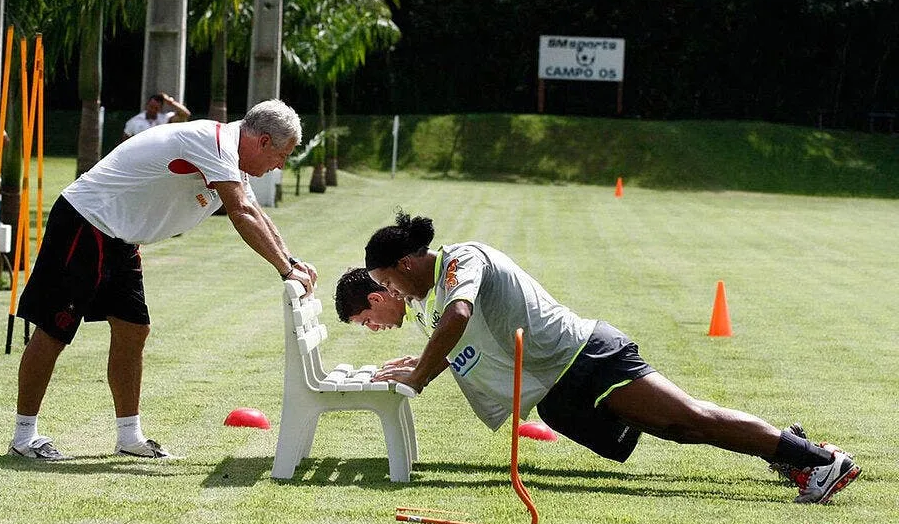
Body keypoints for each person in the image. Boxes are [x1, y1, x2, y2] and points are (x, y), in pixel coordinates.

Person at [341, 212, 861, 504]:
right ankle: (789, 450)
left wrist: (421, 375)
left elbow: (458, 316)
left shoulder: (461, 261)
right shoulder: (433, 296)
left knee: (688, 420)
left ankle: (820, 462)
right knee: (680, 426)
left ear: (406, 262)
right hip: (568, 378)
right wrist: (422, 359)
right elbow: (472, 340)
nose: (392, 292)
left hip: (588, 358)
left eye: (387, 281)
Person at [9, 99, 317, 461]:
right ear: (263, 141)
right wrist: (284, 269)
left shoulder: (232, 158)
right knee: (54, 329)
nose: (280, 165)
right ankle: (23, 436)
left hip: (121, 238)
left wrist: (292, 261)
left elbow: (256, 212)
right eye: (282, 155)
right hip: (86, 220)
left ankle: (129, 436)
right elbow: (242, 212)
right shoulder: (213, 141)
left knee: (133, 329)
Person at [121, 92, 191, 141]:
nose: (153, 110)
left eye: (156, 108)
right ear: (147, 105)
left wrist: (170, 102)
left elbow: (185, 114)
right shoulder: (134, 121)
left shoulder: (165, 118)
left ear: (160, 108)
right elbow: (124, 142)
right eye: (151, 107)